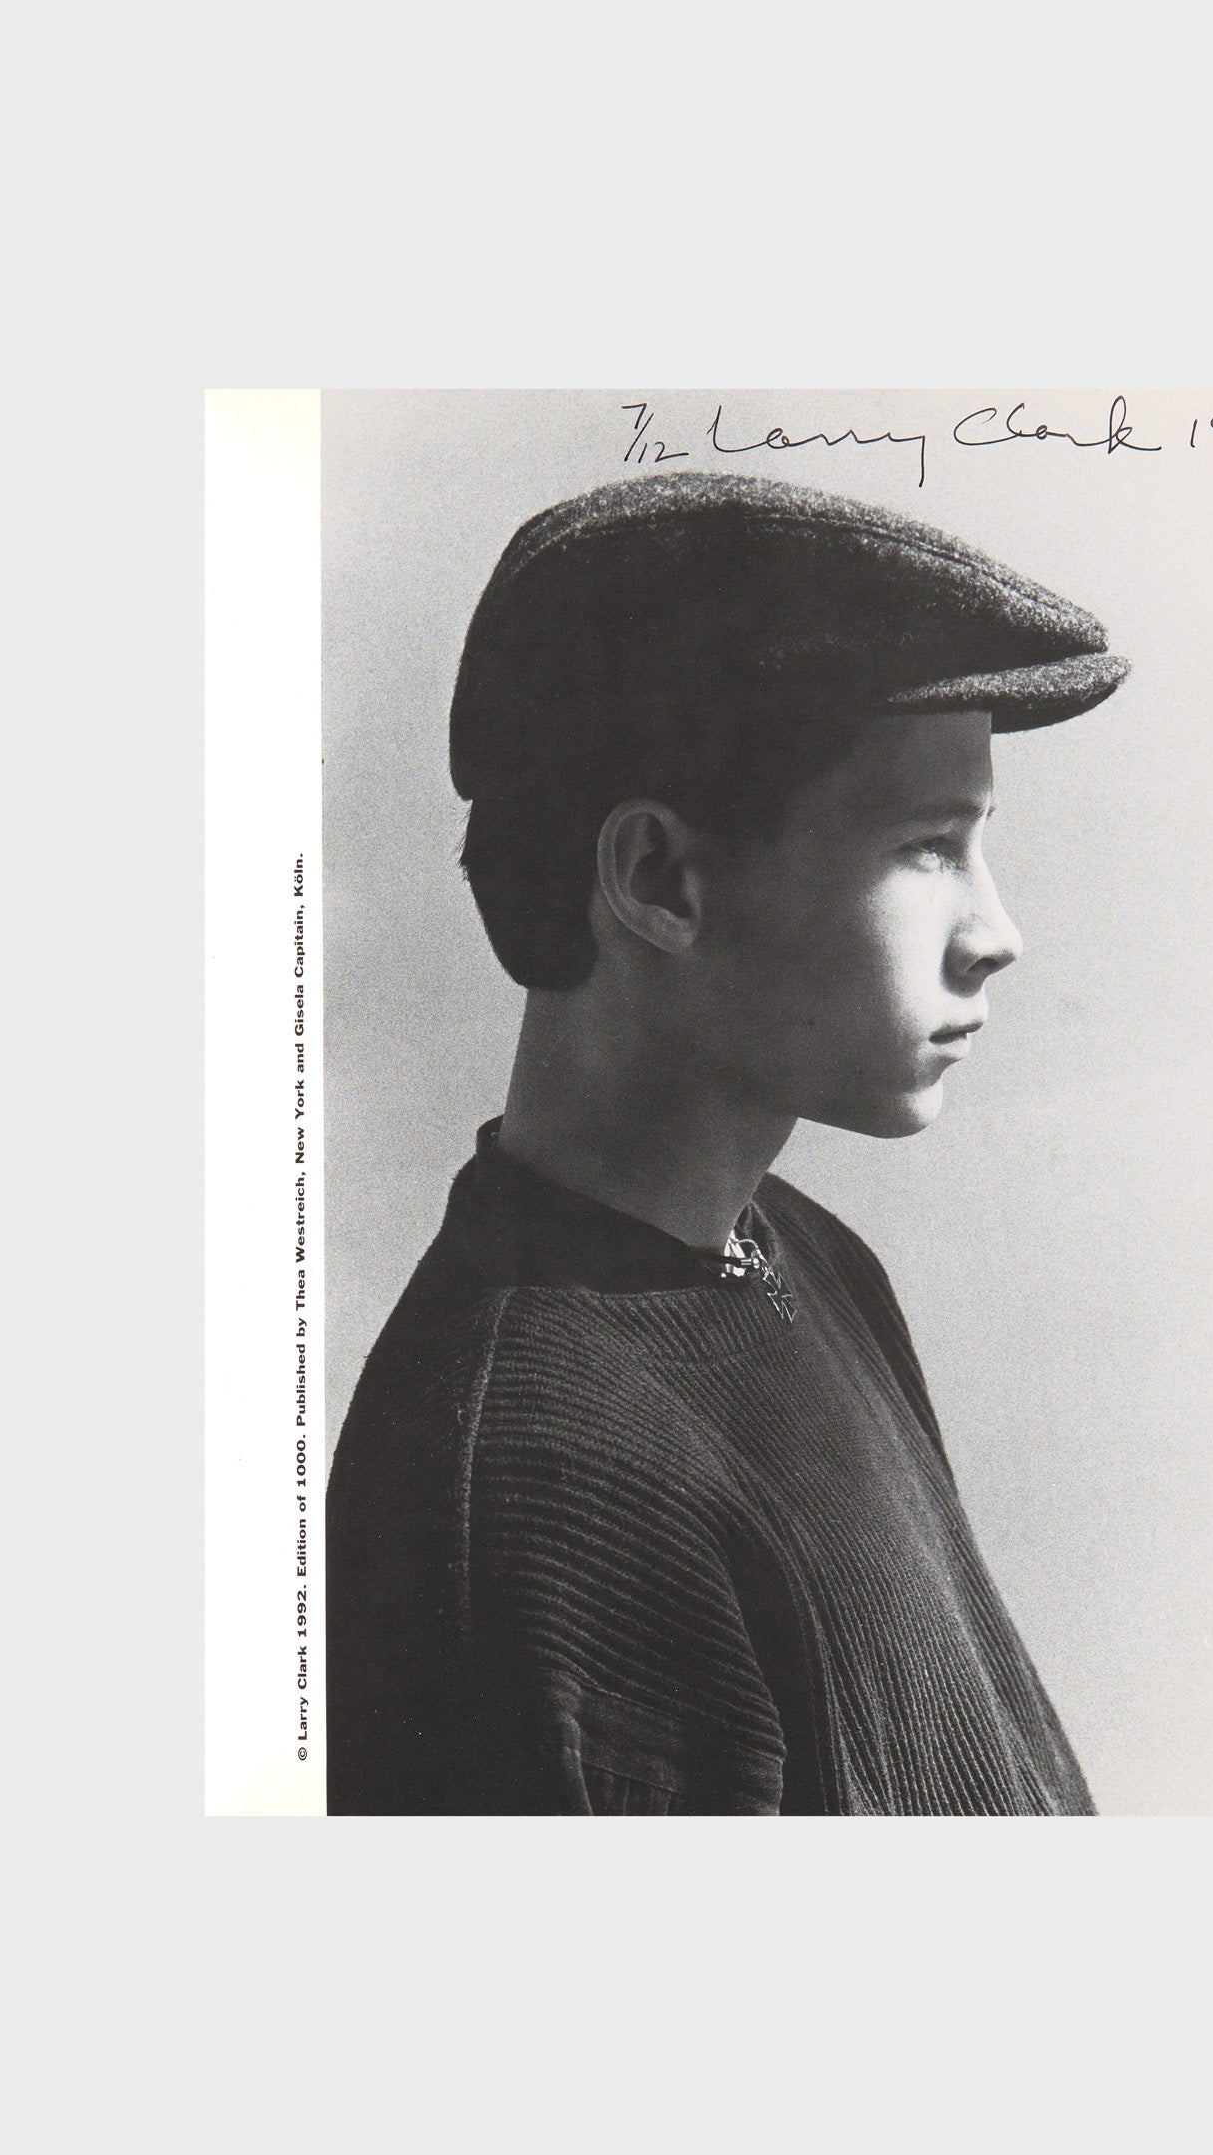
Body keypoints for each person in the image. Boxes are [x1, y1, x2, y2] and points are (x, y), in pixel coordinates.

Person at [326, 471, 1129, 1815]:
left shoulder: (806, 1255)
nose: (996, 934)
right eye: (928, 846)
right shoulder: (534, 1483)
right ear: (659, 879)